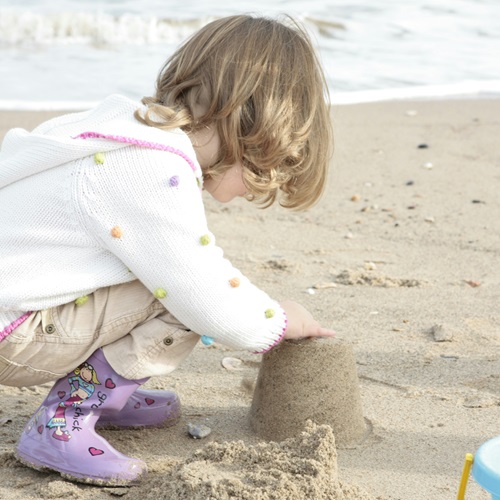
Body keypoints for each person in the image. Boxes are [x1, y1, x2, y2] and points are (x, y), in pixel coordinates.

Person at [0, 14, 334, 485]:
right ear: (255, 127)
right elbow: (208, 299)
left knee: (158, 268)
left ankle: (106, 389)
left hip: (14, 305)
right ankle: (64, 420)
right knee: (182, 293)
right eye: (268, 169)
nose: (260, 186)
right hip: (12, 333)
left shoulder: (113, 129)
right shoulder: (154, 169)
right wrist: (277, 318)